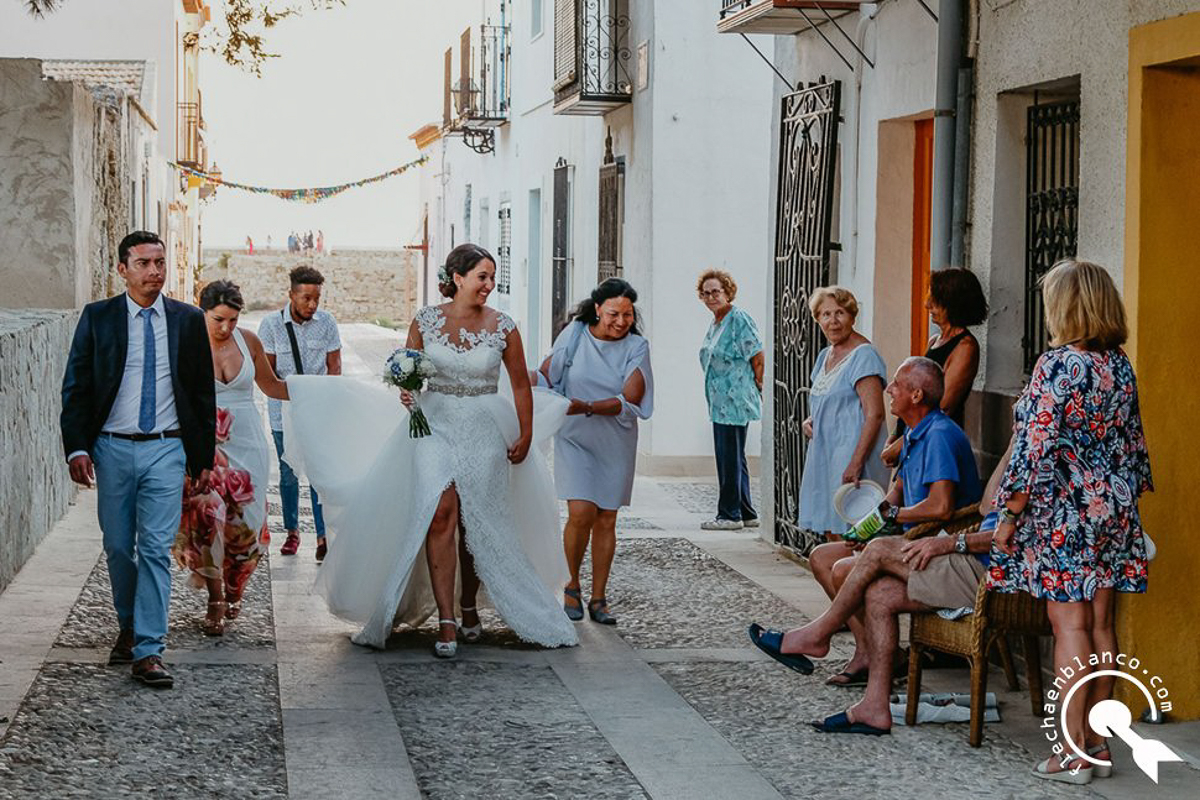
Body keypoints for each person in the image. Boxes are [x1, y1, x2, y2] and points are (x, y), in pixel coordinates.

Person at [283, 243, 578, 657]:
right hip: (432, 426)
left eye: (492, 278)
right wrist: (407, 390)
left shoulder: (503, 327)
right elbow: (408, 369)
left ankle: (469, 604)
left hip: (483, 429)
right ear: (458, 278)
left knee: (477, 521)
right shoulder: (425, 320)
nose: (489, 285)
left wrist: (526, 434)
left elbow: (519, 385)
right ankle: (446, 619)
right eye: (482, 277)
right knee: (440, 512)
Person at [991, 259, 1152, 784]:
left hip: (1066, 512)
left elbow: (1033, 449)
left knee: (1071, 628)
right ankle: (1097, 742)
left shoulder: (1058, 365)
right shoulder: (1118, 364)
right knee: (1101, 626)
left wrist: (1009, 514)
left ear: (1065, 308)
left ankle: (1070, 752)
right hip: (1114, 509)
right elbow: (1134, 446)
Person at [748, 426, 1003, 737]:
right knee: (880, 593)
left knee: (877, 551)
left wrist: (949, 542)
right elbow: (988, 507)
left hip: (987, 571)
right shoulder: (921, 437)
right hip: (963, 558)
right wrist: (1014, 446)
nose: (890, 396)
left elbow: (1005, 533)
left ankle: (817, 635)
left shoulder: (943, 436)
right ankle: (874, 707)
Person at [60, 231, 216, 689]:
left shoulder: (188, 320)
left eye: (160, 262)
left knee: (154, 548)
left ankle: (149, 649)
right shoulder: (99, 318)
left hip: (166, 447)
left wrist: (202, 457)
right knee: (116, 545)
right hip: (112, 447)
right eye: (144, 263)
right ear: (122, 269)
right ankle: (128, 624)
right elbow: (77, 386)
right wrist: (78, 446)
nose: (154, 271)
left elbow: (201, 392)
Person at [773, 357, 982, 690]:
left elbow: (941, 506)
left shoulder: (939, 435)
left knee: (843, 570)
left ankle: (840, 645)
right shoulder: (914, 431)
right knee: (822, 557)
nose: (889, 389)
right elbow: (895, 494)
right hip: (909, 537)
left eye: (896, 384)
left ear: (916, 395)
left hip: (937, 545)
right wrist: (867, 529)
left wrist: (892, 517)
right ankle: (868, 653)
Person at [534, 278, 654, 625]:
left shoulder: (637, 346)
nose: (621, 321)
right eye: (614, 313)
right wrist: (515, 380)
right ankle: (571, 586)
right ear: (598, 308)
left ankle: (599, 597)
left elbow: (630, 398)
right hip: (574, 436)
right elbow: (548, 375)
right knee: (581, 512)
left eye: (628, 315)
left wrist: (586, 406)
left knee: (606, 517)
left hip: (615, 440)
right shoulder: (574, 334)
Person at [173, 281, 289, 635]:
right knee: (208, 516)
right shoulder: (187, 342)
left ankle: (235, 585)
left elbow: (271, 385)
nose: (226, 327)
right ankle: (215, 599)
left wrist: (316, 391)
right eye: (218, 319)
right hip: (204, 442)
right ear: (202, 311)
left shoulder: (249, 342)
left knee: (246, 526)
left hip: (248, 442)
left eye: (233, 320)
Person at [257, 266, 342, 560]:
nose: (312, 304)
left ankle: (322, 536)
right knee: (288, 473)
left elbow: (334, 366)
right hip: (283, 410)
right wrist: (294, 394)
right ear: (291, 295)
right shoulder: (270, 325)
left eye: (317, 298)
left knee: (319, 472)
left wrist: (326, 401)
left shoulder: (327, 323)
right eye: (306, 298)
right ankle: (292, 532)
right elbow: (267, 372)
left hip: (318, 408)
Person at [798, 286, 889, 538]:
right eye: (825, 314)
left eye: (840, 313)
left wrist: (856, 462)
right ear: (818, 319)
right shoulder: (825, 356)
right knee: (829, 525)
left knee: (851, 528)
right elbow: (830, 402)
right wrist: (810, 420)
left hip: (852, 453)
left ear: (852, 317)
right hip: (825, 451)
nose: (833, 321)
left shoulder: (864, 355)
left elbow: (875, 414)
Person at [881, 267, 987, 467]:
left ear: (953, 303)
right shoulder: (934, 341)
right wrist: (895, 434)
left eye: (935, 300)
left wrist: (901, 444)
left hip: (935, 441)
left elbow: (943, 406)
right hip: (914, 436)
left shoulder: (966, 347)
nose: (927, 304)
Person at [696, 269, 763, 530]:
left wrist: (759, 385)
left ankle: (729, 515)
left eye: (716, 292)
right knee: (735, 456)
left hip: (734, 399)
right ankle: (746, 512)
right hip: (720, 401)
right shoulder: (717, 321)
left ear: (727, 292)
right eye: (706, 293)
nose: (711, 297)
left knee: (728, 457)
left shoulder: (738, 319)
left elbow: (757, 355)